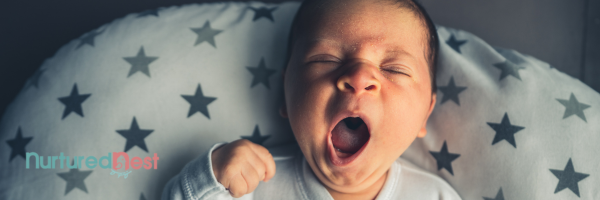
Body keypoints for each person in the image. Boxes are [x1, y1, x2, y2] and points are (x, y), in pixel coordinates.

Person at [162, 0, 461, 199]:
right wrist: (211, 180)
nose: (359, 77)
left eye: (393, 68)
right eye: (326, 59)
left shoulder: (435, 196)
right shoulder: (250, 184)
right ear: (286, 95)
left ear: (425, 114)